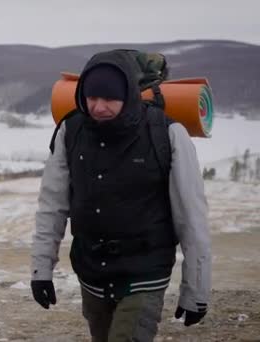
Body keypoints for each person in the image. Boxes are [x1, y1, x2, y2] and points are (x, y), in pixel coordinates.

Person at [30, 50, 211, 341]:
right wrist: (41, 269)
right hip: (91, 274)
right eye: (92, 97)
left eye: (110, 98)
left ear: (128, 95)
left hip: (145, 274)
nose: (99, 107)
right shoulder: (70, 130)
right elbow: (51, 205)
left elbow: (192, 217)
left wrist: (196, 290)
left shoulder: (167, 134)